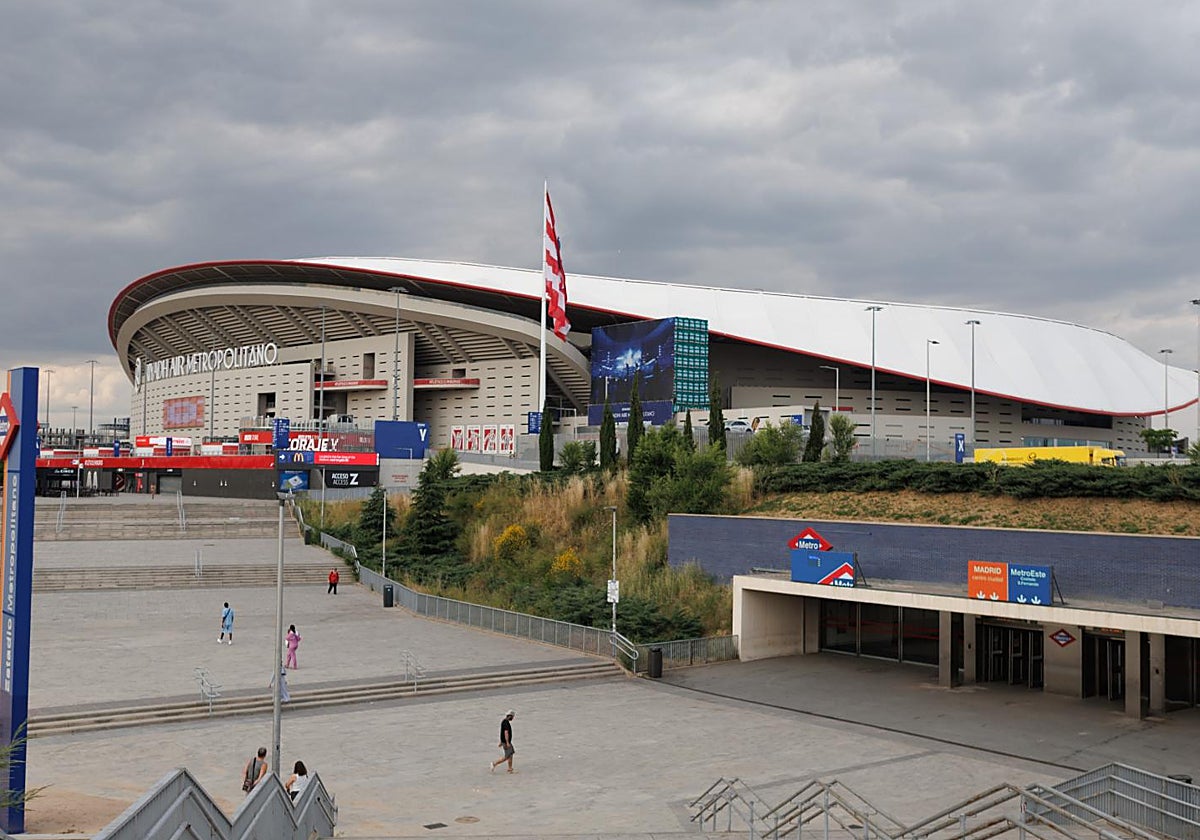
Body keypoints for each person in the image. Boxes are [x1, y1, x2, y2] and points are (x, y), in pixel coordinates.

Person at [489, 709, 515, 774]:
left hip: (505, 742)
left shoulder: (504, 721)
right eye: (512, 717)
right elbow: (506, 732)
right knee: (507, 756)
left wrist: (501, 742)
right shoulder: (506, 723)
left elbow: (501, 732)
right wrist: (507, 742)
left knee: (510, 754)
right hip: (506, 742)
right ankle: (494, 764)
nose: (513, 718)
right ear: (510, 716)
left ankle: (510, 768)